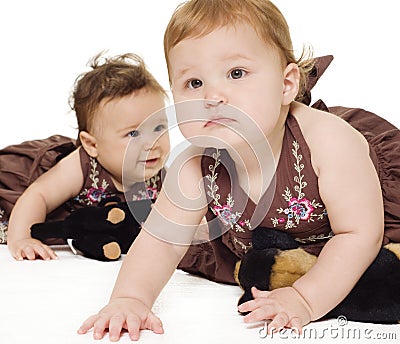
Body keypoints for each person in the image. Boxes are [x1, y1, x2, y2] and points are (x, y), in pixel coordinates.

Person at [78, 0, 400, 340]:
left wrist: (305, 298)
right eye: (194, 83)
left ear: (287, 84)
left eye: (236, 73)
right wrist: (130, 299)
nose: (213, 96)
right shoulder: (194, 163)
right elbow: (162, 241)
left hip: (364, 229)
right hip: (276, 250)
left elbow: (359, 234)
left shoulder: (328, 141)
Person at [5, 52, 170, 261]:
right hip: (20, 191)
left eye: (158, 127)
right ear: (92, 145)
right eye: (133, 133)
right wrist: (22, 239)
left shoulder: (161, 175)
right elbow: (39, 195)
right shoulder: (82, 166)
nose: (151, 143)